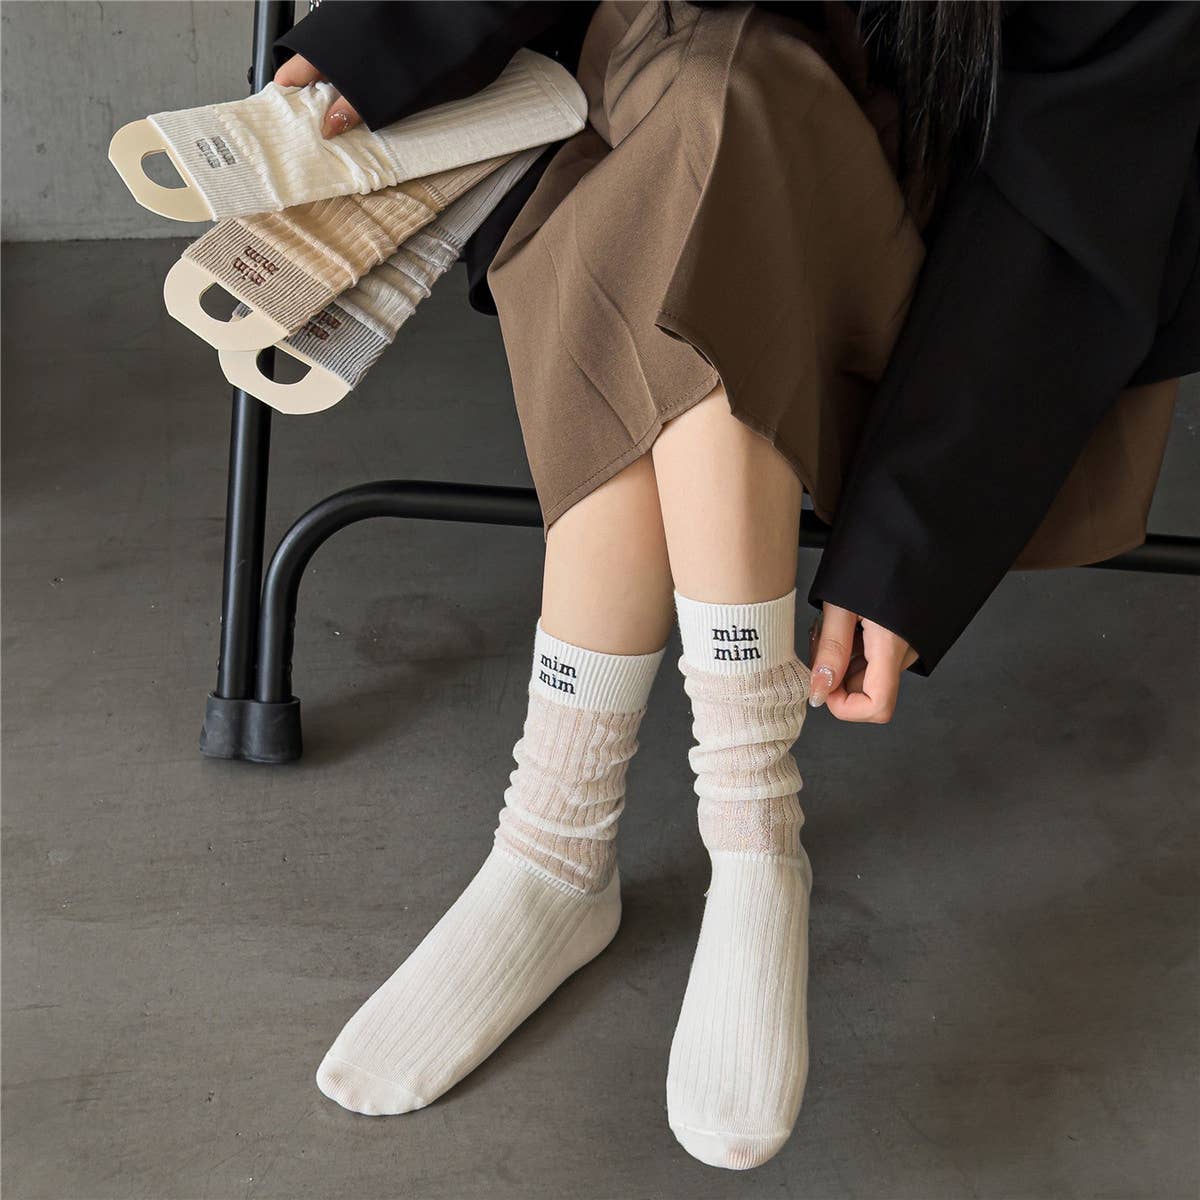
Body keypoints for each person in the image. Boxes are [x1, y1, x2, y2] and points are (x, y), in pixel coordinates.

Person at [271, 0, 1200, 1171]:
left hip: (954, 265)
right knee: (714, 107)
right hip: (650, 117)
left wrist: (912, 536)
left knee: (709, 156)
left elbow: (1084, 161)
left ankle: (574, 842)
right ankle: (715, 833)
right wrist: (397, 32)